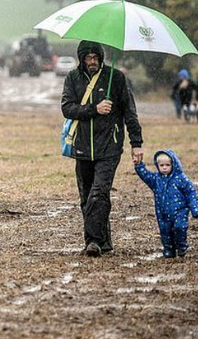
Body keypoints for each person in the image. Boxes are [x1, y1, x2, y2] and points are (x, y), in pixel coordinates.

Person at [61, 40, 144, 257]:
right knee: (87, 197)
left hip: (109, 147)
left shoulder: (116, 78)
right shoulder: (72, 78)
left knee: (99, 193)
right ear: (81, 59)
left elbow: (130, 112)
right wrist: (94, 109)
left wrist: (137, 143)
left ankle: (93, 241)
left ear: (101, 57)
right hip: (82, 148)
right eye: (88, 58)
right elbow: (67, 108)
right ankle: (102, 241)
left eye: (95, 57)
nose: (92, 62)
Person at [134, 149, 198, 259]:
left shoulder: (180, 178)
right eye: (161, 165)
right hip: (162, 213)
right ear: (157, 165)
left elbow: (191, 193)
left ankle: (181, 246)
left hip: (180, 211)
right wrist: (139, 165)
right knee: (165, 231)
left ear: (173, 164)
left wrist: (195, 209)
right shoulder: (156, 179)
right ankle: (168, 249)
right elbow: (145, 175)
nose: (164, 167)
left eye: (167, 165)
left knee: (179, 227)